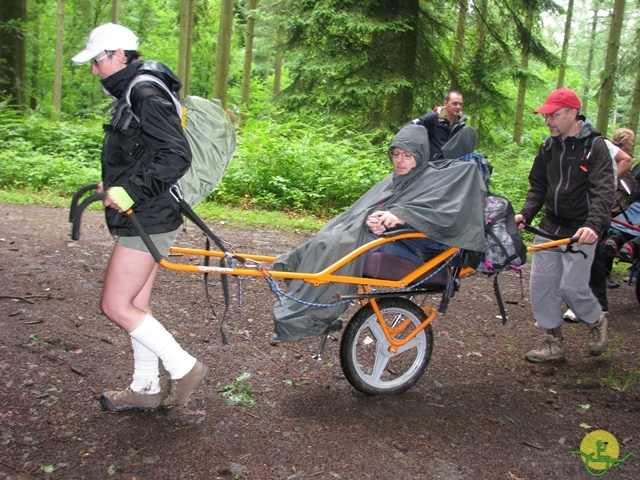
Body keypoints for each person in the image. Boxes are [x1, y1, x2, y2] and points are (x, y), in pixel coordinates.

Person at [72, 23, 207, 411]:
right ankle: (145, 388)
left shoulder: (144, 92)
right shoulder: (134, 91)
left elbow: (176, 155)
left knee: (115, 305)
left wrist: (129, 191)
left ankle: (184, 368)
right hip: (145, 213)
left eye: (98, 61)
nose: (95, 69)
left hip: (147, 215)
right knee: (136, 306)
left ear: (118, 55)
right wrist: (115, 187)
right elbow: (142, 153)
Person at [271, 124, 487, 341]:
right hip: (395, 238)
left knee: (346, 242)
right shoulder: (395, 180)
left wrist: (402, 216)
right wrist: (373, 218)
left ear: (420, 156)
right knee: (332, 236)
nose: (400, 160)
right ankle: (297, 273)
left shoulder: (443, 177)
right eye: (395, 154)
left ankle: (310, 315)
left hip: (423, 248)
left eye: (407, 155)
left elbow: (446, 213)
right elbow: (370, 207)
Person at [514, 88, 615, 363]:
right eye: (546, 115)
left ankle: (595, 319)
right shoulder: (548, 147)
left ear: (572, 114)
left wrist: (594, 225)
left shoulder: (595, 147)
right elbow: (538, 186)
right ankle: (553, 342)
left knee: (572, 286)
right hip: (550, 226)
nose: (548, 121)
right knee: (542, 286)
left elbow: (604, 190)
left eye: (553, 115)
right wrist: (526, 214)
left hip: (581, 229)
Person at [563, 126, 634, 321]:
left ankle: (598, 305)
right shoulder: (563, 143)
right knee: (576, 254)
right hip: (577, 206)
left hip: (595, 206)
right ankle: (580, 304)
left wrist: (606, 185)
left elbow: (627, 160)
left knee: (592, 254)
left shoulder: (599, 144)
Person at [410, 91, 478, 161]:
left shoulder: (461, 123)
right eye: (454, 103)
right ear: (445, 103)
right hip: (435, 164)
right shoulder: (433, 118)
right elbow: (409, 128)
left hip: (454, 163)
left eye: (460, 104)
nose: (458, 107)